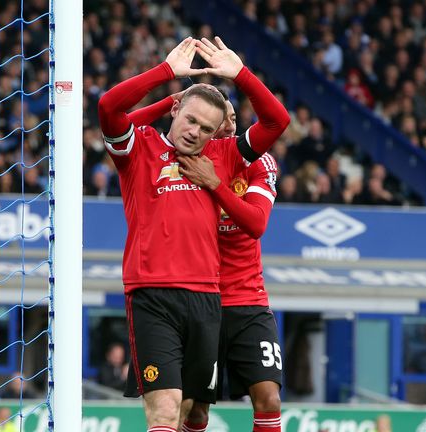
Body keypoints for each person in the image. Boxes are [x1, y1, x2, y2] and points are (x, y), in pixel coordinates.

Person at [97, 37, 289, 432]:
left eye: (206, 128)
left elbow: (277, 122)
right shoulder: (139, 148)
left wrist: (241, 75)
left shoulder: (223, 157)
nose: (194, 132)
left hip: (208, 300)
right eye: (189, 120)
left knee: (192, 411)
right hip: (152, 295)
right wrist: (166, 76)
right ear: (175, 111)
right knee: (166, 410)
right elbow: (108, 107)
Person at [130, 89, 283, 431]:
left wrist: (215, 184)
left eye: (229, 118)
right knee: (193, 410)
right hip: (200, 299)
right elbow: (124, 130)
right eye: (215, 122)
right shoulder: (184, 160)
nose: (224, 126)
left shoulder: (254, 163)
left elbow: (256, 223)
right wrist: (173, 99)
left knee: (269, 398)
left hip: (246, 299)